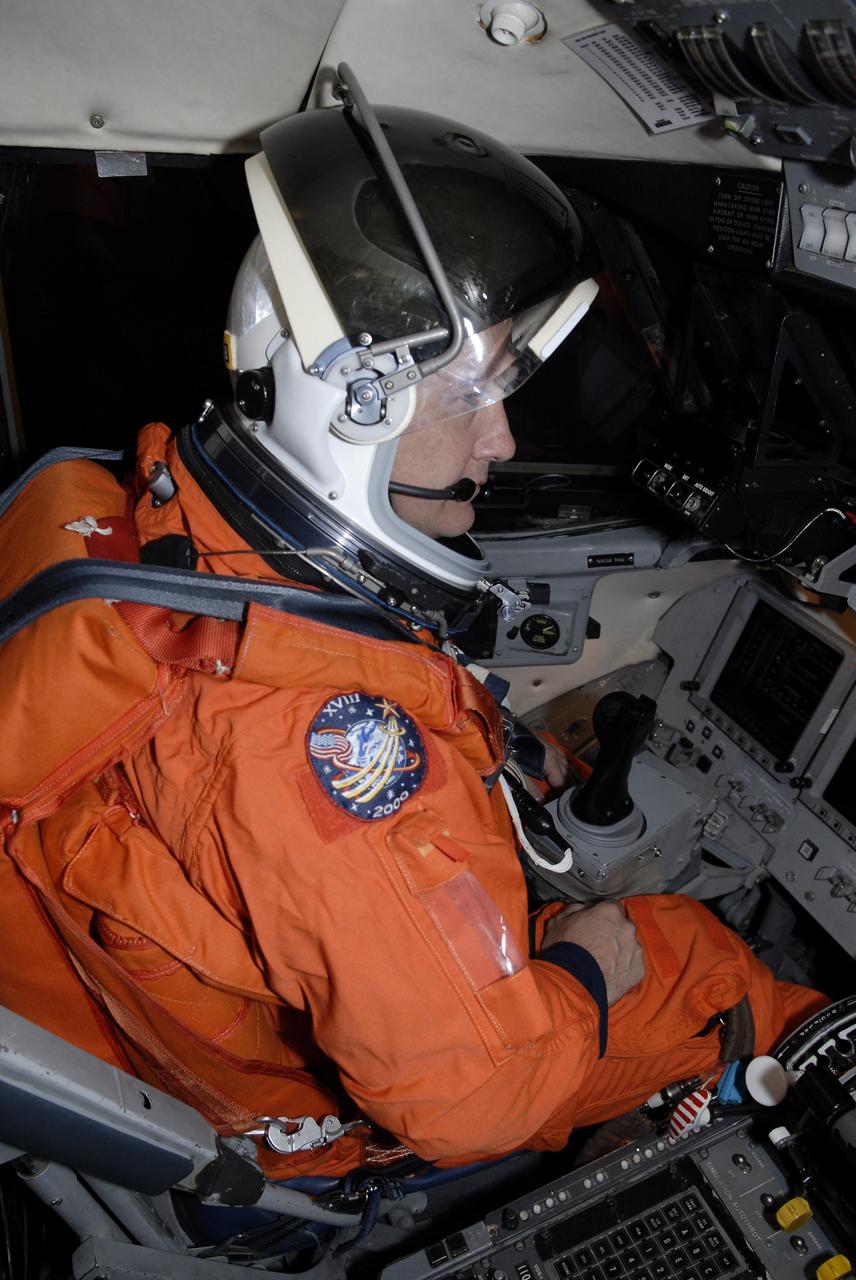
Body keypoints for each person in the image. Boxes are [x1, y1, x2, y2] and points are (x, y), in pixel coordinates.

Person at [0, 87, 826, 1182]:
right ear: (350, 414)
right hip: (356, 1117)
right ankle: (822, 1066)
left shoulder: (188, 530)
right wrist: (584, 967)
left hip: (274, 991)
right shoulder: (319, 753)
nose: (502, 437)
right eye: (469, 397)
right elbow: (469, 1100)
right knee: (690, 958)